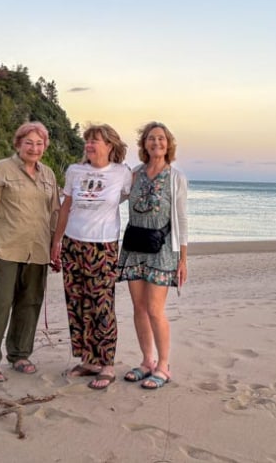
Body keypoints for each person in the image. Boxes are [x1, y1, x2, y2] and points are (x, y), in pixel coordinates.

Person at [0, 121, 60, 382]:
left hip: (38, 252)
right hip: (4, 250)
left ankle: (20, 355)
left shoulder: (48, 175)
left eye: (39, 143)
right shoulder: (1, 170)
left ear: (45, 146)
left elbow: (54, 213)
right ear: (18, 144)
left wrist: (56, 247)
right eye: (29, 142)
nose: (34, 148)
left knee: (30, 303)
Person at [51, 124, 132, 390]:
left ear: (110, 145)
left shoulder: (122, 173)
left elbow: (134, 198)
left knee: (102, 304)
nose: (89, 144)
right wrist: (56, 242)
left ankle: (106, 363)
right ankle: (88, 360)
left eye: (95, 140)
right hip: (73, 244)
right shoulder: (75, 171)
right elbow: (66, 208)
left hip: (103, 246)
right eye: (87, 140)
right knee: (77, 304)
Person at [118, 121, 188, 389]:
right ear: (144, 144)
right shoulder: (134, 173)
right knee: (139, 307)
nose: (156, 143)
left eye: (161, 139)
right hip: (135, 246)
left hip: (162, 249)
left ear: (168, 144)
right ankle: (147, 361)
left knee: (155, 309)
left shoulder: (175, 177)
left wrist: (183, 259)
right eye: (151, 139)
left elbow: (181, 219)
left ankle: (163, 365)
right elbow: (115, 197)